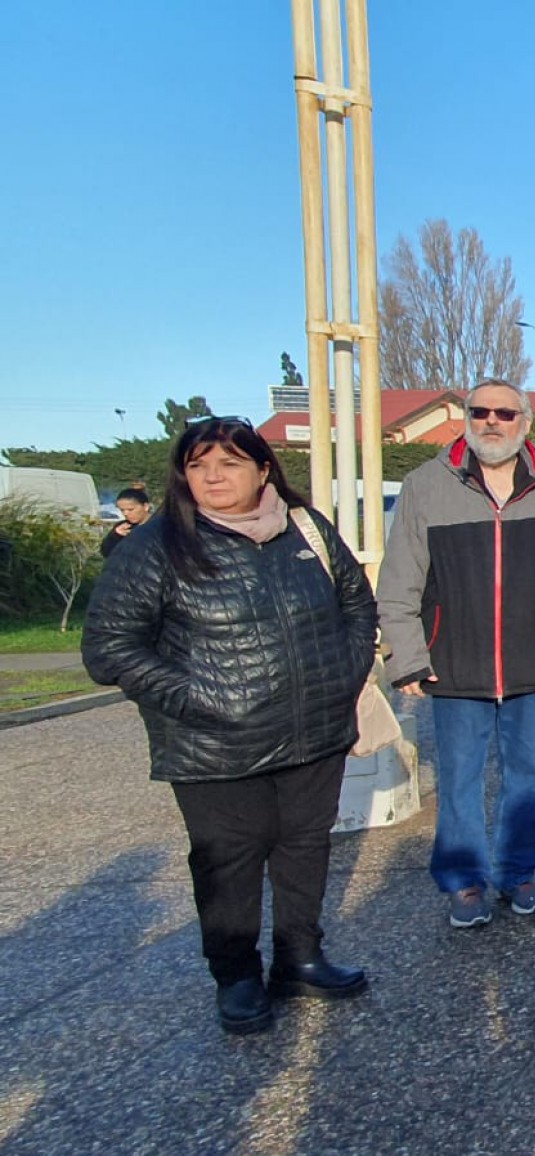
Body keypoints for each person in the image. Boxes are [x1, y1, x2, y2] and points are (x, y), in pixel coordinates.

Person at [82, 418, 375, 1035]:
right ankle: (236, 975)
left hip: (314, 731)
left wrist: (344, 673)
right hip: (213, 743)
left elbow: (356, 601)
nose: (213, 476)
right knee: (229, 861)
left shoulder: (306, 529)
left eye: (230, 463)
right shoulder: (156, 546)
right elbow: (109, 649)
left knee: (304, 847)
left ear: (264, 470)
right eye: (198, 465)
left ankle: (300, 957)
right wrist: (200, 698)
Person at [377, 379, 535, 928]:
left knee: (524, 778)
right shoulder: (426, 485)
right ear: (467, 418)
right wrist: (407, 656)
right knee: (459, 779)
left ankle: (519, 873)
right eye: (480, 412)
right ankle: (464, 881)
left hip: (531, 662)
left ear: (525, 422)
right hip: (454, 661)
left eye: (504, 413)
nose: (491, 422)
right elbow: (400, 577)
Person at [100, 486, 151, 557]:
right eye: (122, 510)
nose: (125, 513)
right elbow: (106, 553)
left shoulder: (161, 526)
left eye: (130, 509)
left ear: (145, 507)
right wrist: (115, 536)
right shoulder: (122, 527)